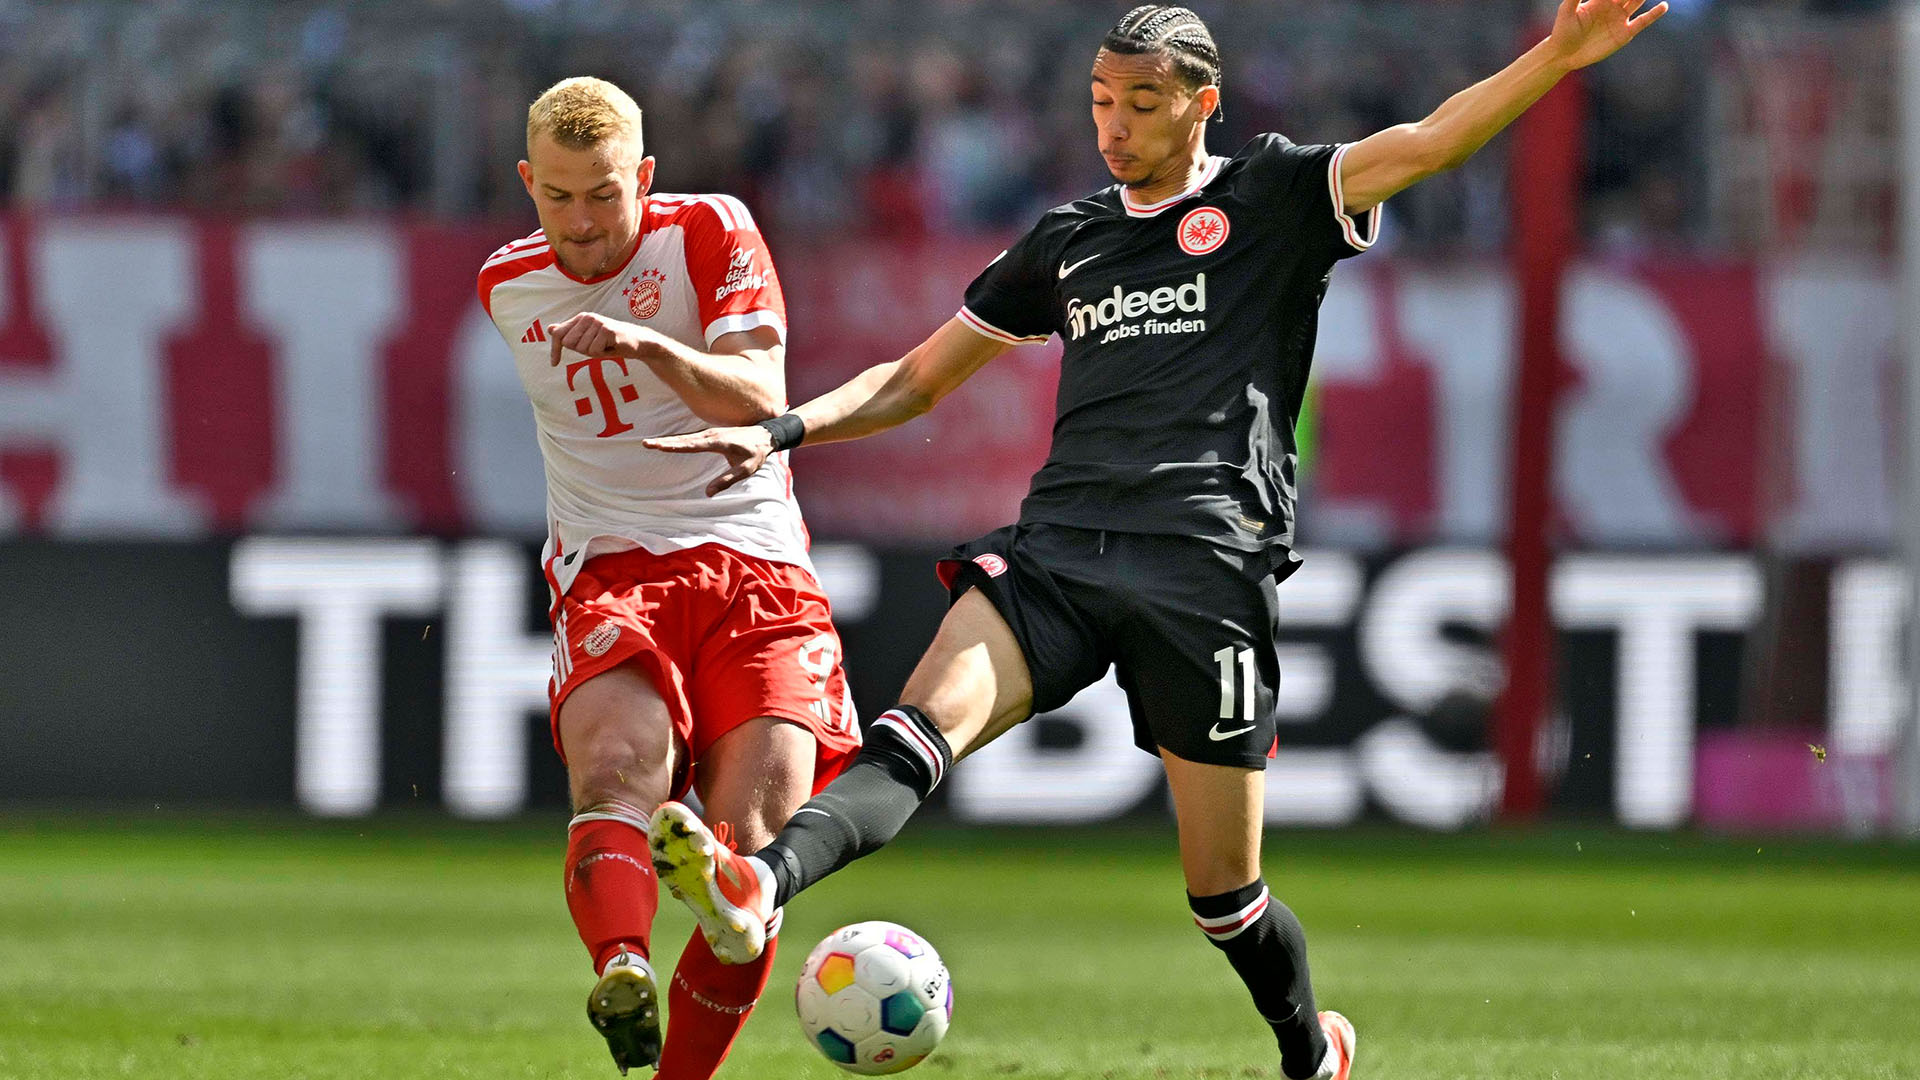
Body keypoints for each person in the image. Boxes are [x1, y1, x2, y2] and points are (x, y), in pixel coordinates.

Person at [644, 2, 1666, 1078]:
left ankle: (1310, 1048)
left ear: (1201, 103)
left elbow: (1428, 144)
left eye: (1141, 102)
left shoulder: (1272, 196)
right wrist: (787, 427)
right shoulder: (1070, 241)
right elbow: (914, 379)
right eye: (1100, 103)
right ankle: (761, 885)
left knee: (1224, 897)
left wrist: (1556, 56)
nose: (1115, 126)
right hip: (1061, 551)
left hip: (1207, 566)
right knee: (911, 735)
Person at [476, 76, 862, 1077]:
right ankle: (621, 964)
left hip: (758, 569)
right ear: (528, 184)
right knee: (613, 769)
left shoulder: (707, 231)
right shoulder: (506, 285)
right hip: (612, 567)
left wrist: (646, 341)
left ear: (643, 176)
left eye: (605, 194)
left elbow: (761, 396)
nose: (584, 223)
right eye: (558, 197)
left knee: (747, 856)